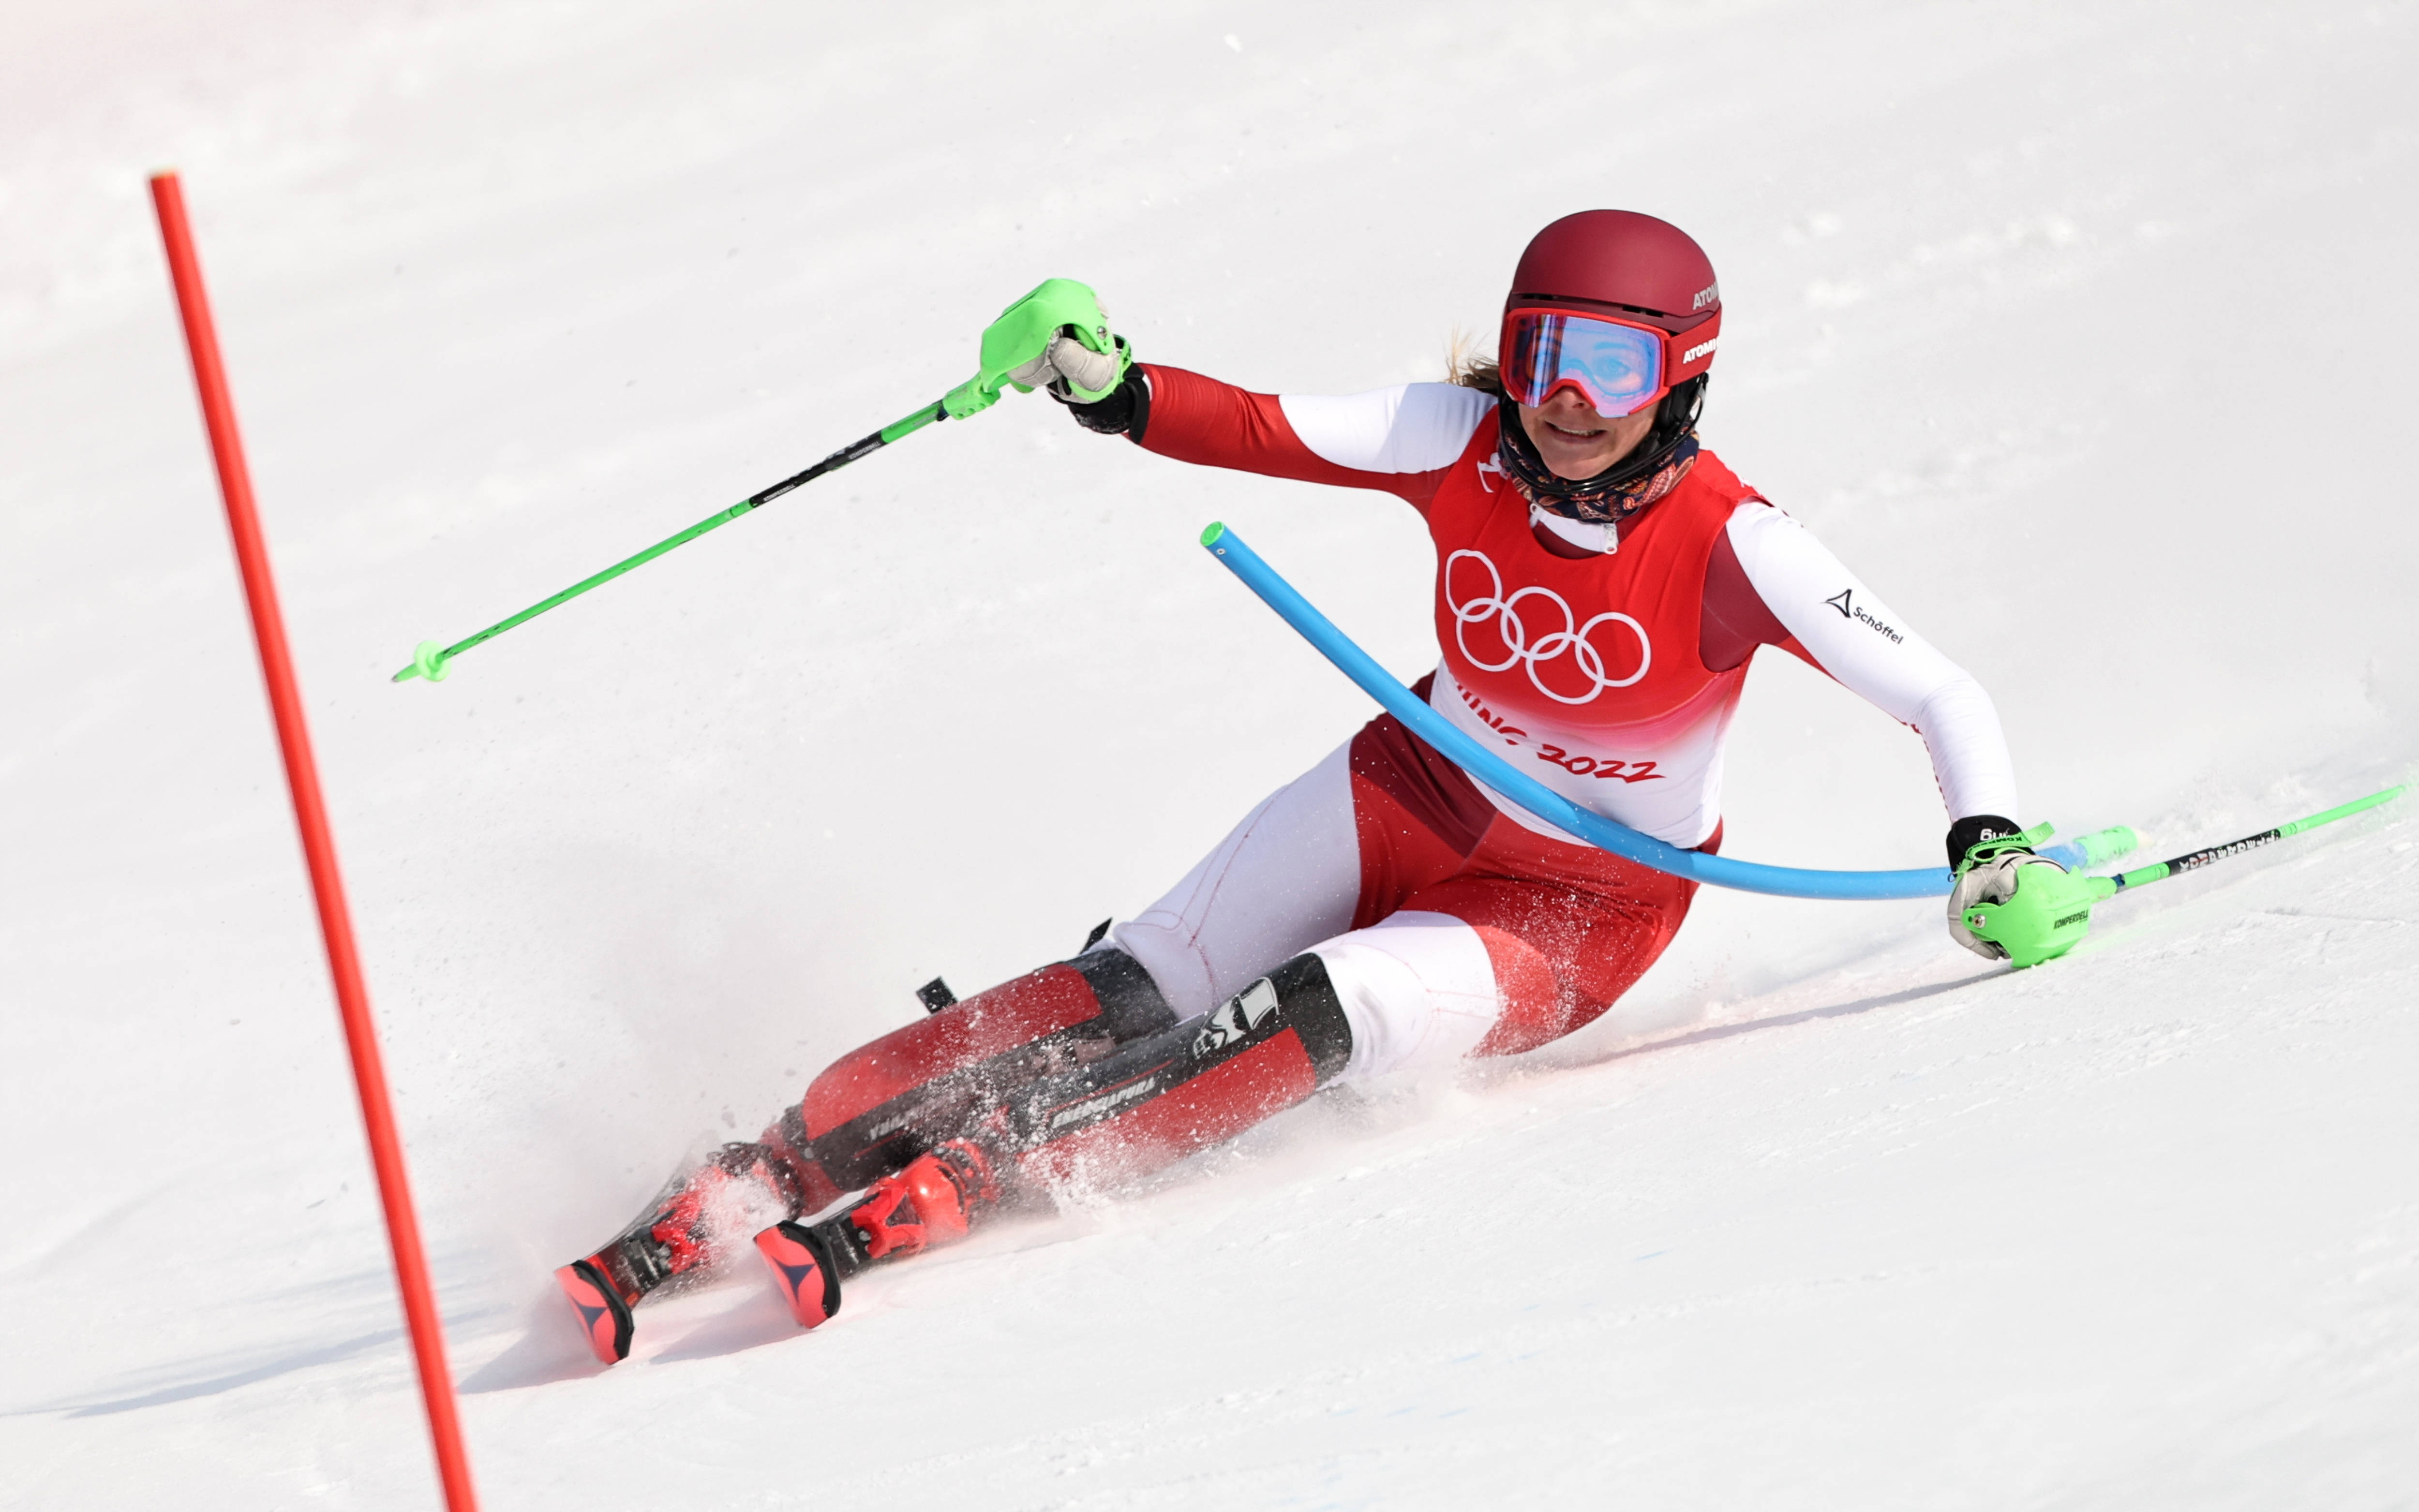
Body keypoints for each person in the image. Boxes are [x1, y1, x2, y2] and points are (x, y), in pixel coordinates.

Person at [554, 210, 2056, 1364]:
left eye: (1610, 368)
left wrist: (1988, 846)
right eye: (1541, 356)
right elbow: (1256, 427)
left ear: (1684, 379)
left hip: (1573, 908)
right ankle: (774, 1156)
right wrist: (1108, 382)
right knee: (1140, 980)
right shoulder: (1460, 439)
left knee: (1315, 1006)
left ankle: (983, 1170)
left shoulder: (1742, 544)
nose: (1564, 403)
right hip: (1412, 782)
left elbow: (1941, 690)